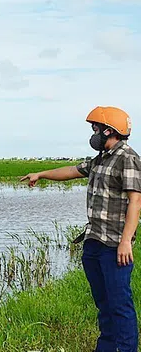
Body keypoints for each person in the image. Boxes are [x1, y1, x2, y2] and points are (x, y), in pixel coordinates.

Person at [20, 106, 141, 352]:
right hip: (94, 242)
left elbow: (136, 201)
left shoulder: (127, 158)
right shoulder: (102, 159)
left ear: (110, 130)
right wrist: (41, 174)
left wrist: (126, 240)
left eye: (96, 128)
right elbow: (73, 171)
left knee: (120, 305)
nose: (93, 133)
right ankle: (105, 347)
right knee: (104, 304)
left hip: (115, 246)